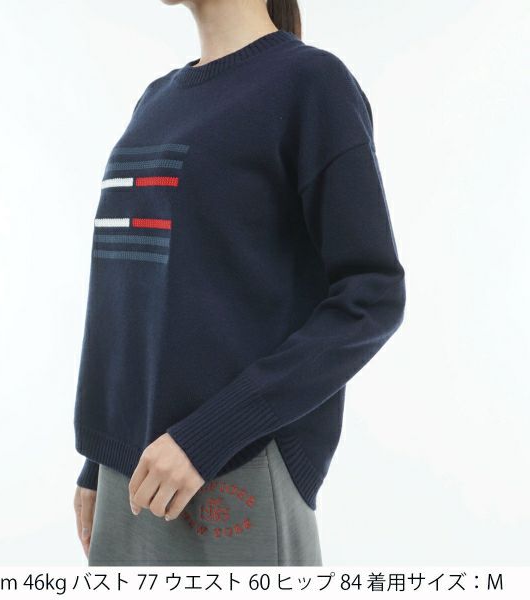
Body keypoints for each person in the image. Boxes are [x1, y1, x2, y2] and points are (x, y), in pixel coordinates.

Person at [72, 0, 406, 566]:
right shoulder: (157, 100)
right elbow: (138, 295)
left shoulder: (311, 83)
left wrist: (209, 437)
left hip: (234, 466)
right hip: (131, 473)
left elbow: (372, 294)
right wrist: (100, 458)